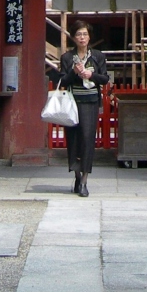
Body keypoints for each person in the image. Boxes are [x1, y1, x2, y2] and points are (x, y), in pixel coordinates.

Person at [53, 19, 109, 197]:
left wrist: (91, 74)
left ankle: (84, 180)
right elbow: (62, 80)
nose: (82, 37)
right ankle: (77, 175)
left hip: (90, 102)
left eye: (85, 34)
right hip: (72, 102)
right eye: (79, 34)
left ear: (89, 37)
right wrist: (74, 72)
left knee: (87, 139)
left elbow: (105, 78)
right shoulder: (67, 57)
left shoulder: (98, 56)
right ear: (73, 37)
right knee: (73, 139)